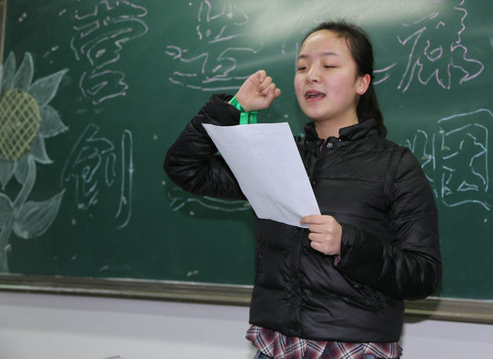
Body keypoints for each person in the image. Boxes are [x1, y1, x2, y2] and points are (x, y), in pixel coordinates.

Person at [163, 20, 442, 359]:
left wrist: (347, 244)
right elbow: (185, 168)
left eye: (329, 65)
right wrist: (234, 108)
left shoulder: (395, 165)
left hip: (354, 350)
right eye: (302, 67)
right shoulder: (276, 154)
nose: (312, 75)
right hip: (276, 347)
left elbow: (423, 274)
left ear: (362, 82)